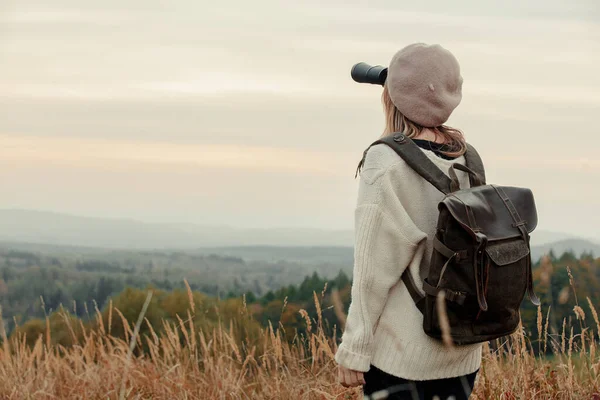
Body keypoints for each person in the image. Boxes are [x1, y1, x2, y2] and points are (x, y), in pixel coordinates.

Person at [335, 43, 482, 400]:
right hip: (462, 351)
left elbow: (373, 269)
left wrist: (355, 347)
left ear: (392, 97)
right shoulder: (466, 157)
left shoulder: (385, 161)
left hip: (401, 357)